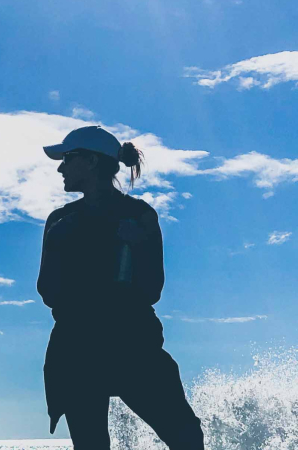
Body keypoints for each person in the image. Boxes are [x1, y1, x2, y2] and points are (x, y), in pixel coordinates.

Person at [37, 125, 205, 450]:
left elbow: (152, 289)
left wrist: (139, 248)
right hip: (78, 351)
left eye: (67, 159)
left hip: (131, 346)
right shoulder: (59, 222)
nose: (60, 167)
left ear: (90, 162)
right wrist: (61, 243)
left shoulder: (140, 216)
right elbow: (48, 291)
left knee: (186, 436)